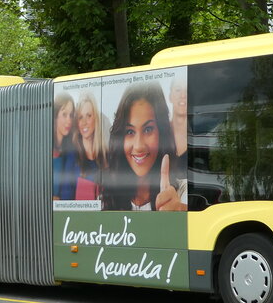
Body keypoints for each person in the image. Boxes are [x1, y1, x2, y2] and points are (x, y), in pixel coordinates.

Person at [102, 83, 186, 212]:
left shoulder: (183, 193)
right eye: (130, 132)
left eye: (148, 129)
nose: (139, 146)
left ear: (161, 133)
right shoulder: (105, 198)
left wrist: (180, 213)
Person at [73, 91, 104, 201]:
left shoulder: (105, 156)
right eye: (80, 117)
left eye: (89, 116)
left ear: (95, 118)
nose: (84, 122)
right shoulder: (72, 158)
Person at [51, 93, 80, 201]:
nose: (69, 120)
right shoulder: (43, 149)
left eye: (71, 115)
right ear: (55, 116)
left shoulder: (71, 152)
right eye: (64, 114)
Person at [169, 77, 188, 161]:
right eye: (178, 90)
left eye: (187, 90)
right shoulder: (158, 132)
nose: (183, 95)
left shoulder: (199, 133)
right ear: (170, 97)